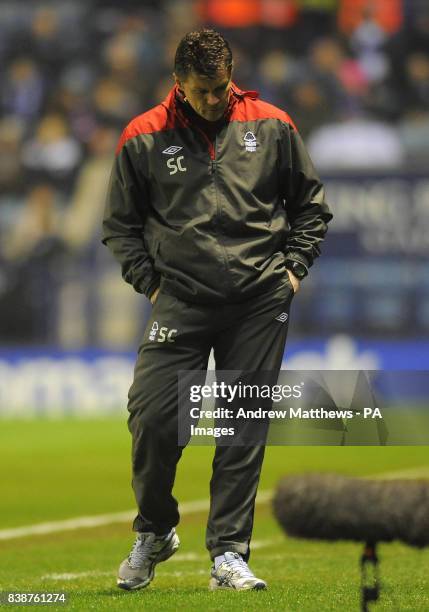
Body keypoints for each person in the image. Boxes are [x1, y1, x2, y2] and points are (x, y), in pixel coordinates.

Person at [102, 28, 332, 592]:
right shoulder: (143, 136)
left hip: (260, 298)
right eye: (202, 91)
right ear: (178, 81)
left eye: (220, 88)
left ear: (231, 77)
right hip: (179, 298)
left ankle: (229, 554)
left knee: (240, 425)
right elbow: (120, 227)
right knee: (153, 419)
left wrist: (293, 272)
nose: (213, 100)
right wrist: (152, 285)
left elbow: (310, 206)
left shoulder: (272, 124)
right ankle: (155, 530)